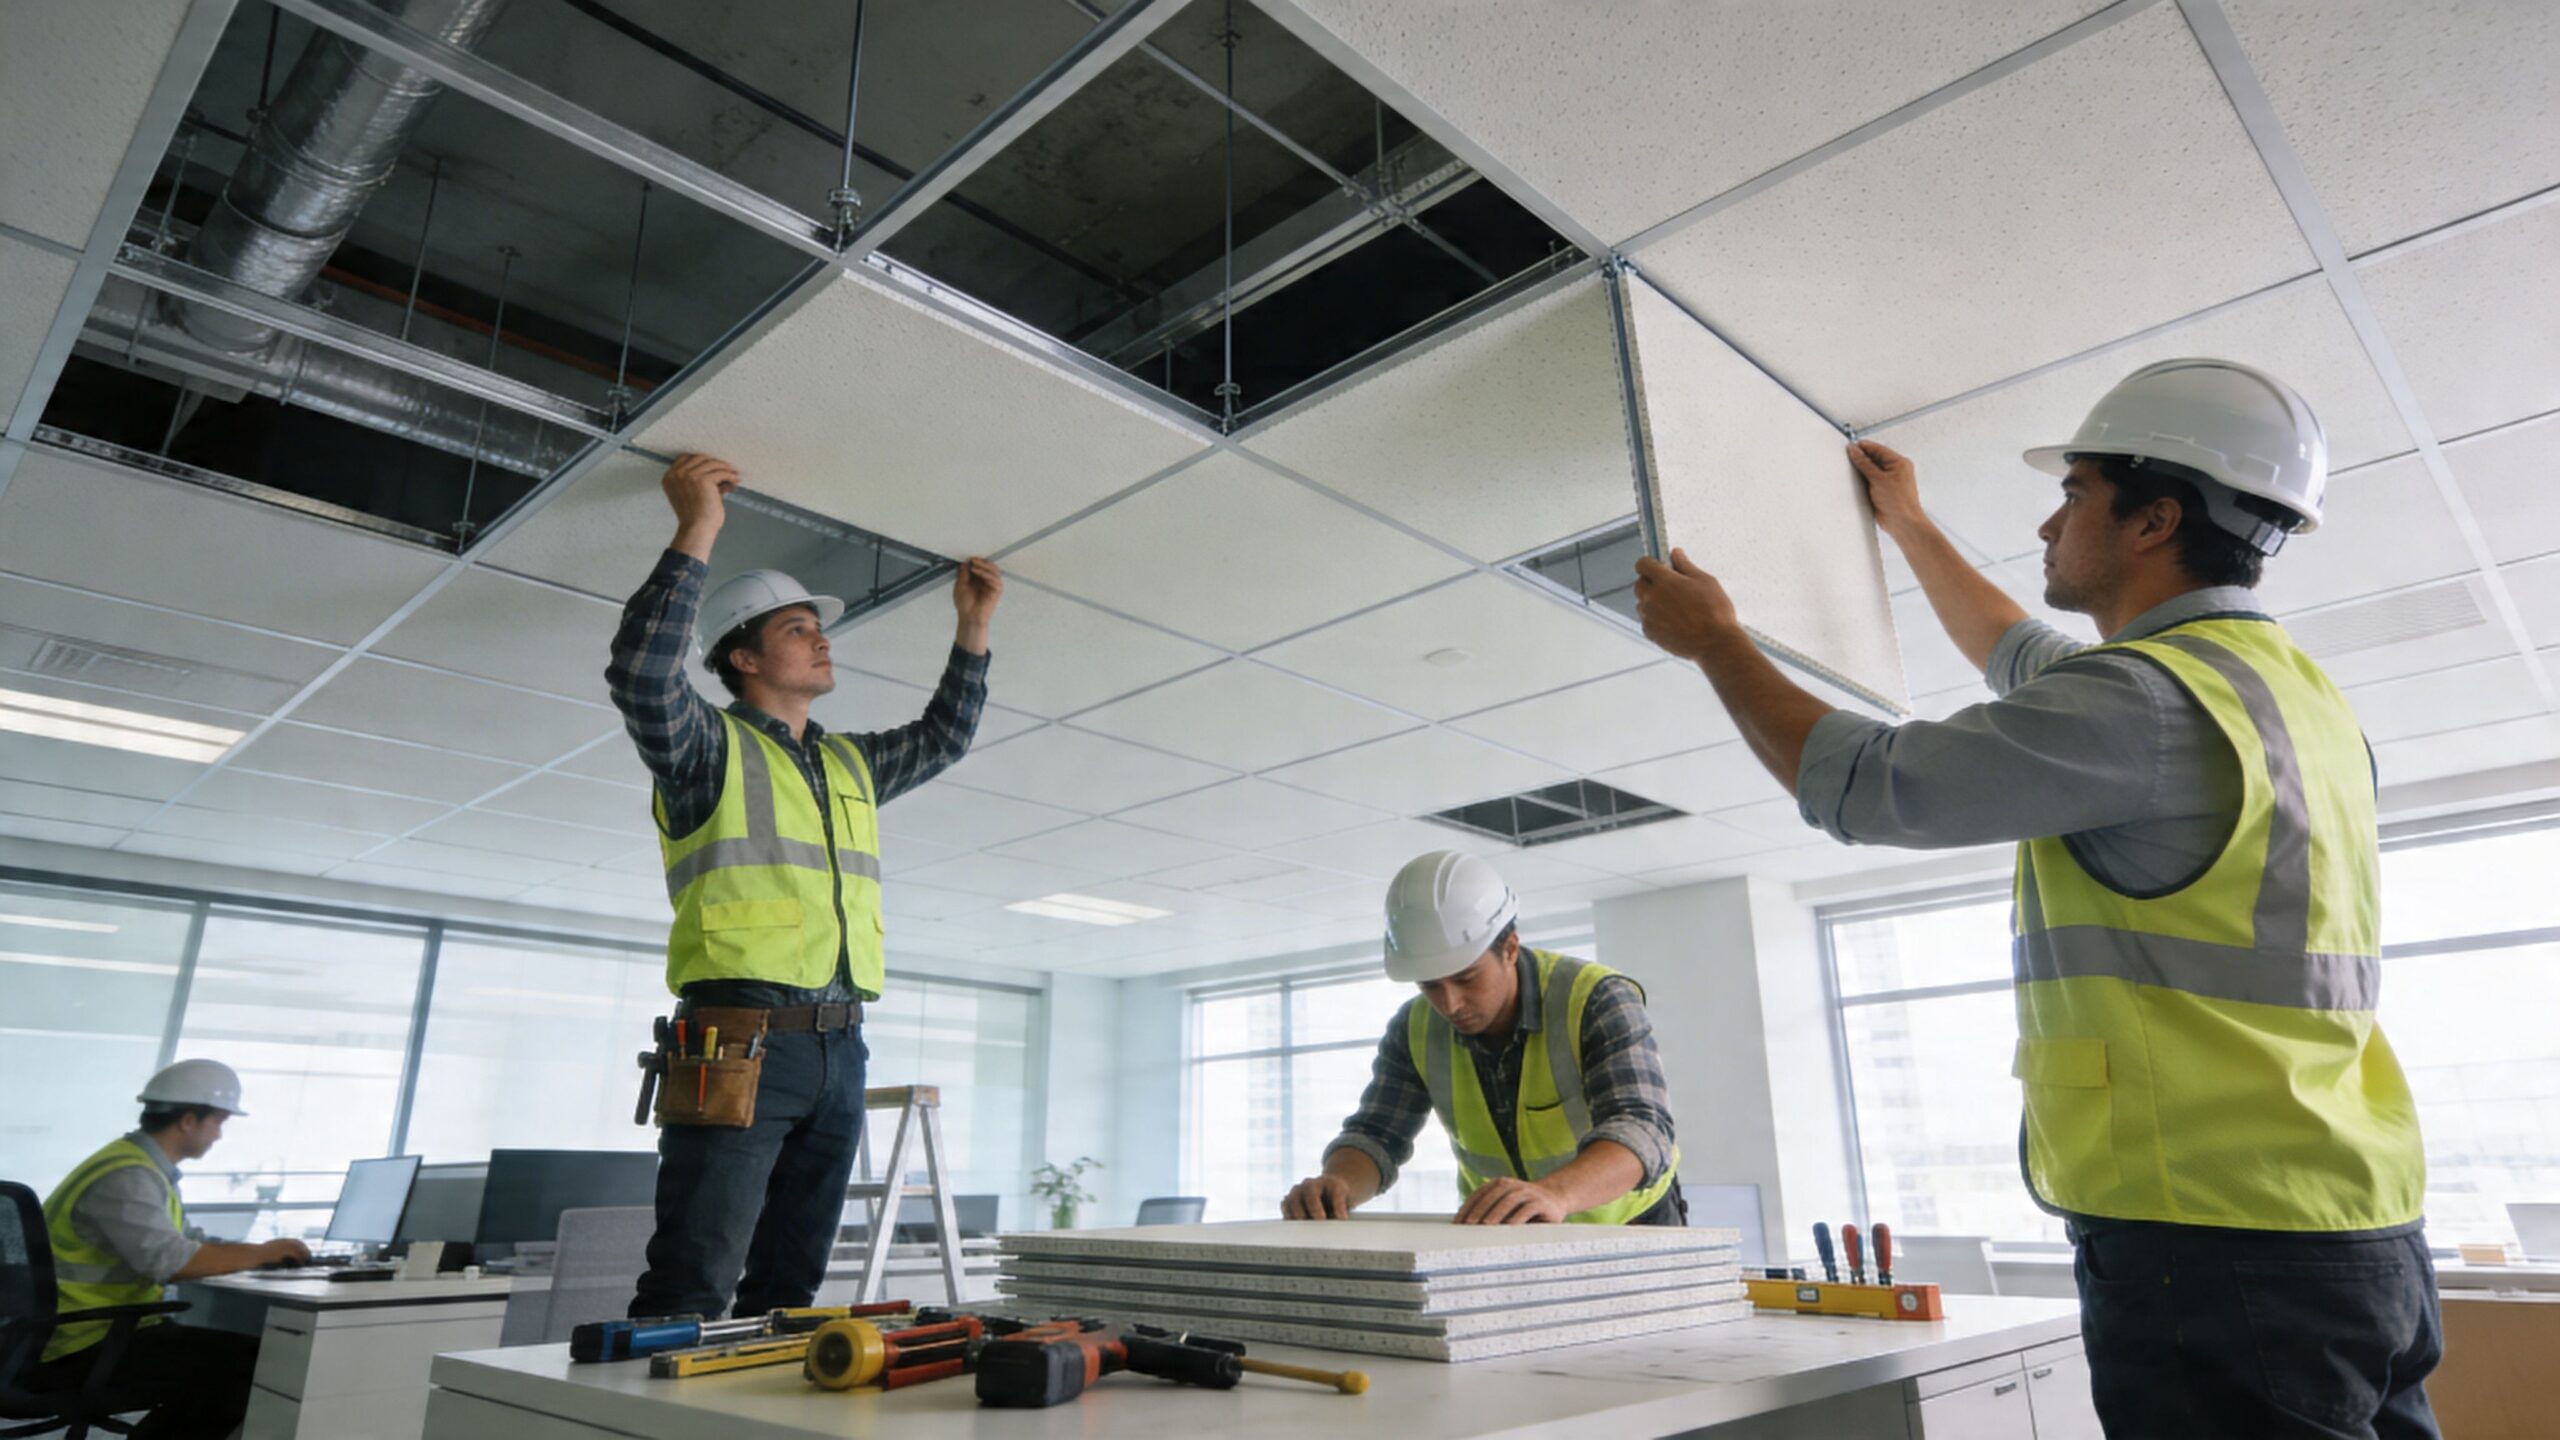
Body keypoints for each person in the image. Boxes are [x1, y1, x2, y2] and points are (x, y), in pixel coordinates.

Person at [1631, 359, 2436, 1436]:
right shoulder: (2280, 693)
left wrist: (1716, 645)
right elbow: (2020, 655)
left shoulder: (2141, 705)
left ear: (2153, 519)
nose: (2050, 520)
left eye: (2073, 491)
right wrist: (1909, 528)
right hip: (2355, 1224)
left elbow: (1869, 786)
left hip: (2213, 1239)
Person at [612, 452, 1004, 1320]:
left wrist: (971, 629)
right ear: (744, 657)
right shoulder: (705, 749)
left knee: (789, 1292)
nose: (822, 637)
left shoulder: (848, 762)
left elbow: (943, 738)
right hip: (736, 1036)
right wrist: (697, 529)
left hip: (840, 1048)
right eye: (797, 628)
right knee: (692, 1283)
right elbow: (641, 676)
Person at [1283, 851, 1683, 1226]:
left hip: (1632, 1223)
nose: (1450, 1003)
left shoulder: (1595, 999)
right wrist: (1339, 1184)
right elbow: (1377, 1134)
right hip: (1503, 1227)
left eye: (1466, 978)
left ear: (1509, 948)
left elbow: (1641, 1128)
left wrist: (1553, 1194)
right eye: (1430, 985)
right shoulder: (1414, 1028)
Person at [37, 1060, 311, 1440]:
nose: (218, 1135)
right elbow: (170, 1260)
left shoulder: (136, 1166)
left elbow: (184, 1244)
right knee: (262, 1365)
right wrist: (263, 1253)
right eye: (218, 1122)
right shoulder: (128, 1175)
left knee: (239, 1363)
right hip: (80, 1344)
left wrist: (255, 1251)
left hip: (93, 1333)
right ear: (187, 1120)